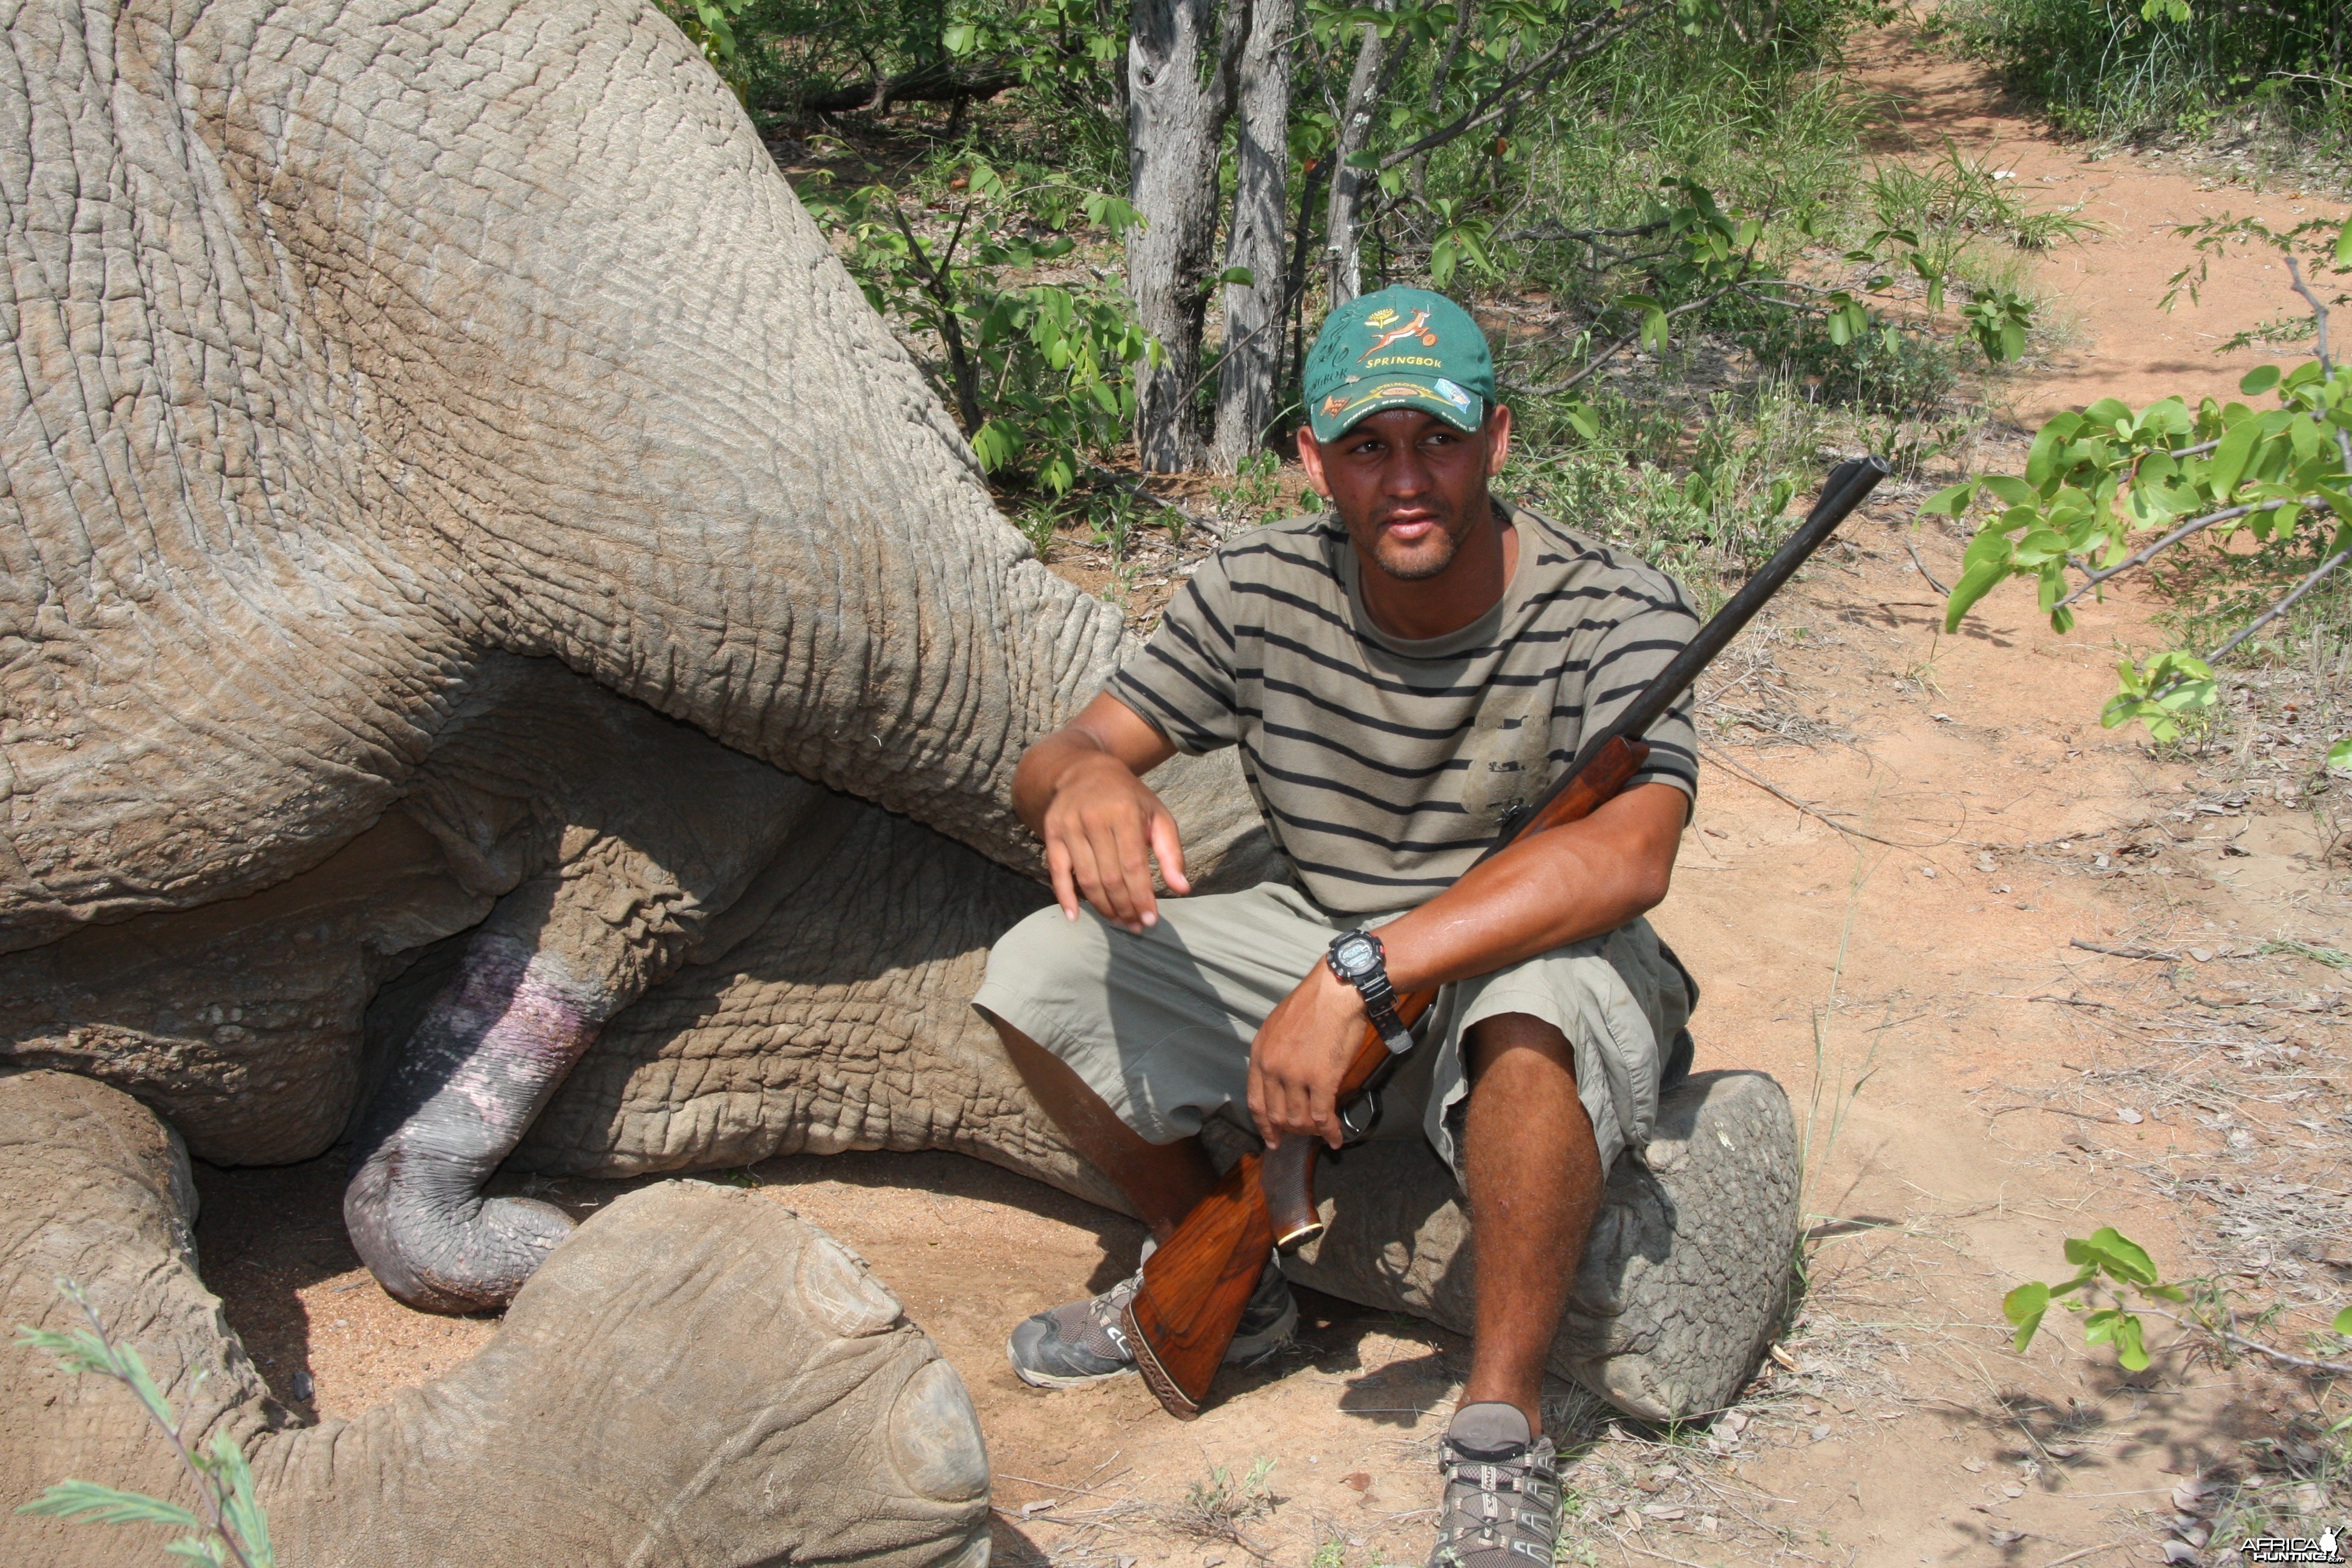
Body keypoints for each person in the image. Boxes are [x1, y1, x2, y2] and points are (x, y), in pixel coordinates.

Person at [971, 286, 1700, 1568]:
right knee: (1041, 968)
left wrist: (1369, 970)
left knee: (1544, 1012)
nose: (1405, 479)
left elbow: (1631, 855)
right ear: (1313, 457)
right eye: (1368, 445)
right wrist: (1084, 781)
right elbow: (1071, 747)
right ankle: (1218, 1267)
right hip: (1323, 932)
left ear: (1499, 443)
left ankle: (1501, 1427)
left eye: (1438, 439)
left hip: (1518, 952)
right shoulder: (1257, 590)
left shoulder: (1615, 606)